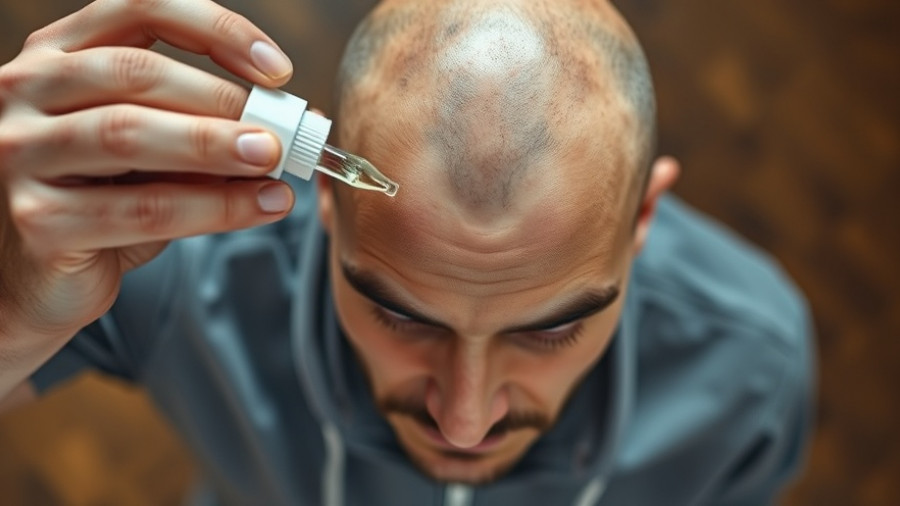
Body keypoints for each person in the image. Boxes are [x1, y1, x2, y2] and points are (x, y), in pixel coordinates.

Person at [0, 0, 815, 504]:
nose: (464, 422)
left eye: (549, 330)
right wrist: (11, 311)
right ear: (327, 193)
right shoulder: (172, 266)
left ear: (642, 216)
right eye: (398, 314)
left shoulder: (753, 369)